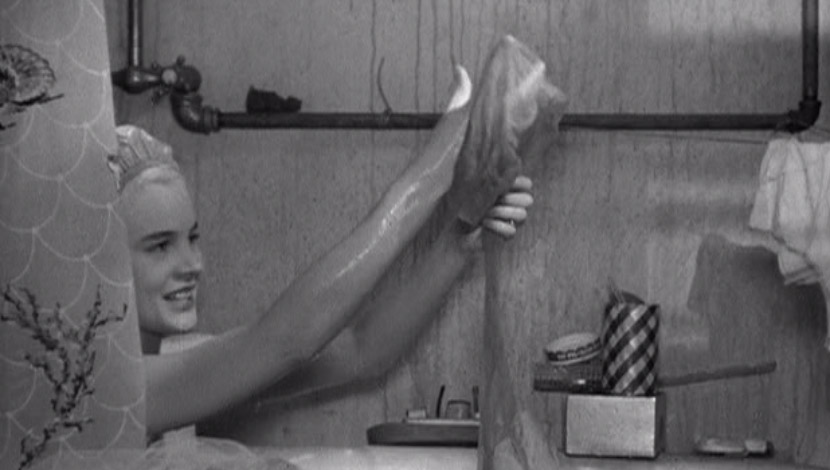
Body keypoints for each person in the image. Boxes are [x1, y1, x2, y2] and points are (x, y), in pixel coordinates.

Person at [111, 66, 535, 437]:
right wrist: (439, 164)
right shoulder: (112, 389)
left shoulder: (178, 362)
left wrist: (458, 240)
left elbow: (362, 350)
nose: (192, 265)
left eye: (192, 239)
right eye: (160, 246)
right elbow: (286, 340)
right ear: (101, 261)